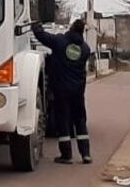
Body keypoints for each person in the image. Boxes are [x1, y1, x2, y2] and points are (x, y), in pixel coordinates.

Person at [31, 18, 92, 165]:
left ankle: (66, 155)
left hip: (61, 90)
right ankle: (86, 154)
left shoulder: (60, 42)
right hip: (78, 91)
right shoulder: (85, 49)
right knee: (80, 120)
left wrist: (36, 25)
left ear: (71, 28)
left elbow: (42, 37)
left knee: (63, 121)